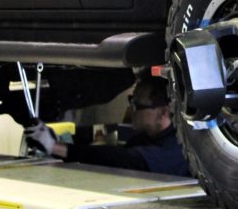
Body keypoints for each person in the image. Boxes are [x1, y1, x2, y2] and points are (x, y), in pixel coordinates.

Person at [24, 75, 191, 177]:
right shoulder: (144, 138)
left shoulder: (180, 148)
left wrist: (57, 147)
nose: (130, 110)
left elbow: (126, 160)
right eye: (131, 102)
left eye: (136, 105)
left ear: (163, 113)